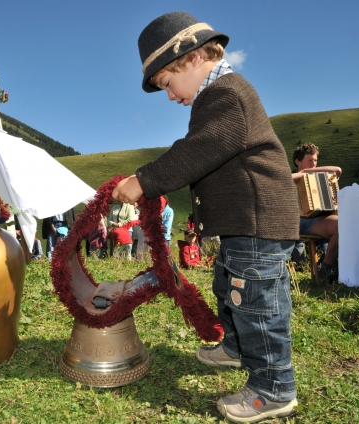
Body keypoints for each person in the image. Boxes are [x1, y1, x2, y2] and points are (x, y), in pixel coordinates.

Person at [112, 11, 300, 422]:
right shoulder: (220, 95)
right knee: (230, 287)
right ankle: (236, 347)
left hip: (258, 220)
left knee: (255, 303)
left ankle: (274, 387)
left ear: (192, 57)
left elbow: (198, 151)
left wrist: (144, 181)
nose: (170, 96)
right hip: (247, 223)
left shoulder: (227, 94)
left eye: (166, 83)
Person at [292, 143, 341, 283]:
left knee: (342, 223)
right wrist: (300, 175)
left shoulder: (319, 175)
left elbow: (337, 170)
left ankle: (326, 269)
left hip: (321, 219)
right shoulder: (292, 176)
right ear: (298, 161)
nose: (314, 164)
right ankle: (326, 270)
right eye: (310, 160)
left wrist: (308, 171)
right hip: (301, 221)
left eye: (315, 160)